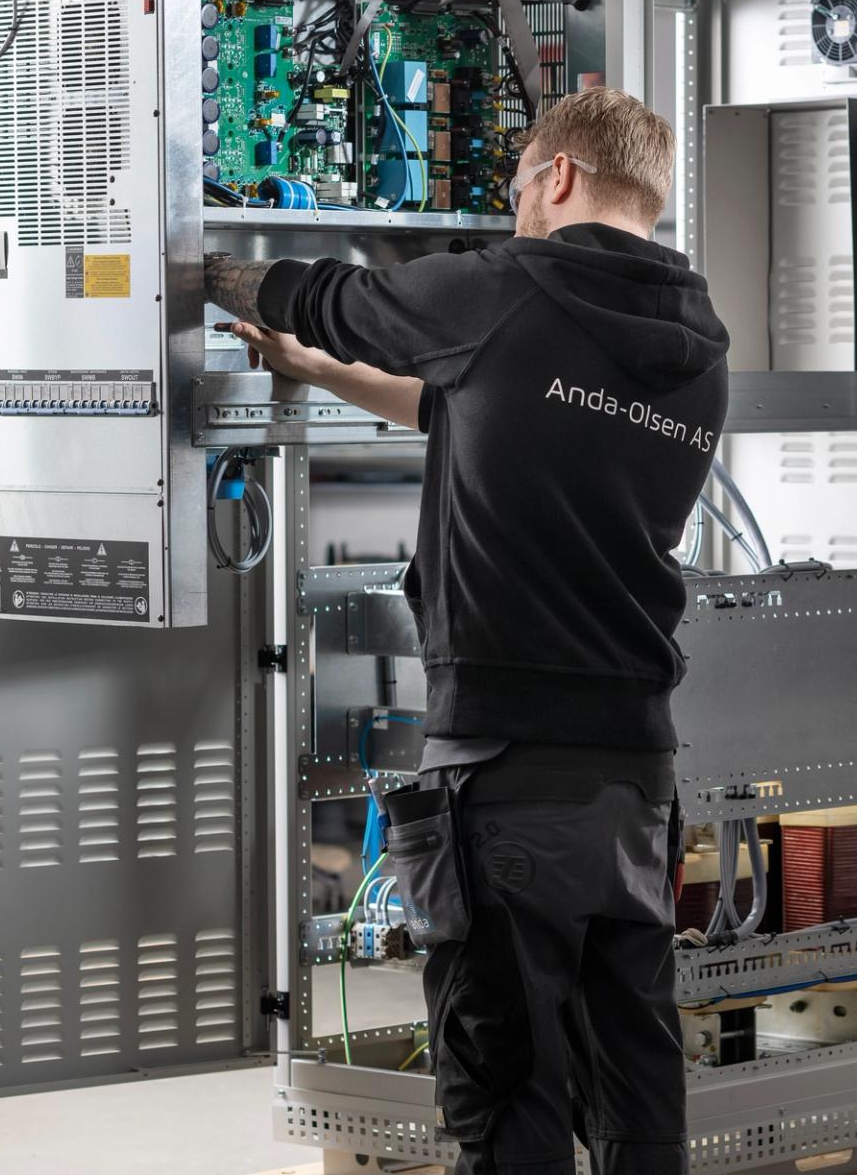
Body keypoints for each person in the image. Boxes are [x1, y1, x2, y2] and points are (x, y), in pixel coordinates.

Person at [204, 87, 730, 1174]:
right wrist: (314, 374)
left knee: (505, 1083)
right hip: (636, 770)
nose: (514, 206)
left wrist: (207, 271)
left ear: (564, 175)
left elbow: (344, 296)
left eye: (519, 184)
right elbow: (481, 406)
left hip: (505, 767)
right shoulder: (694, 337)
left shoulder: (511, 286)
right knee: (632, 1065)